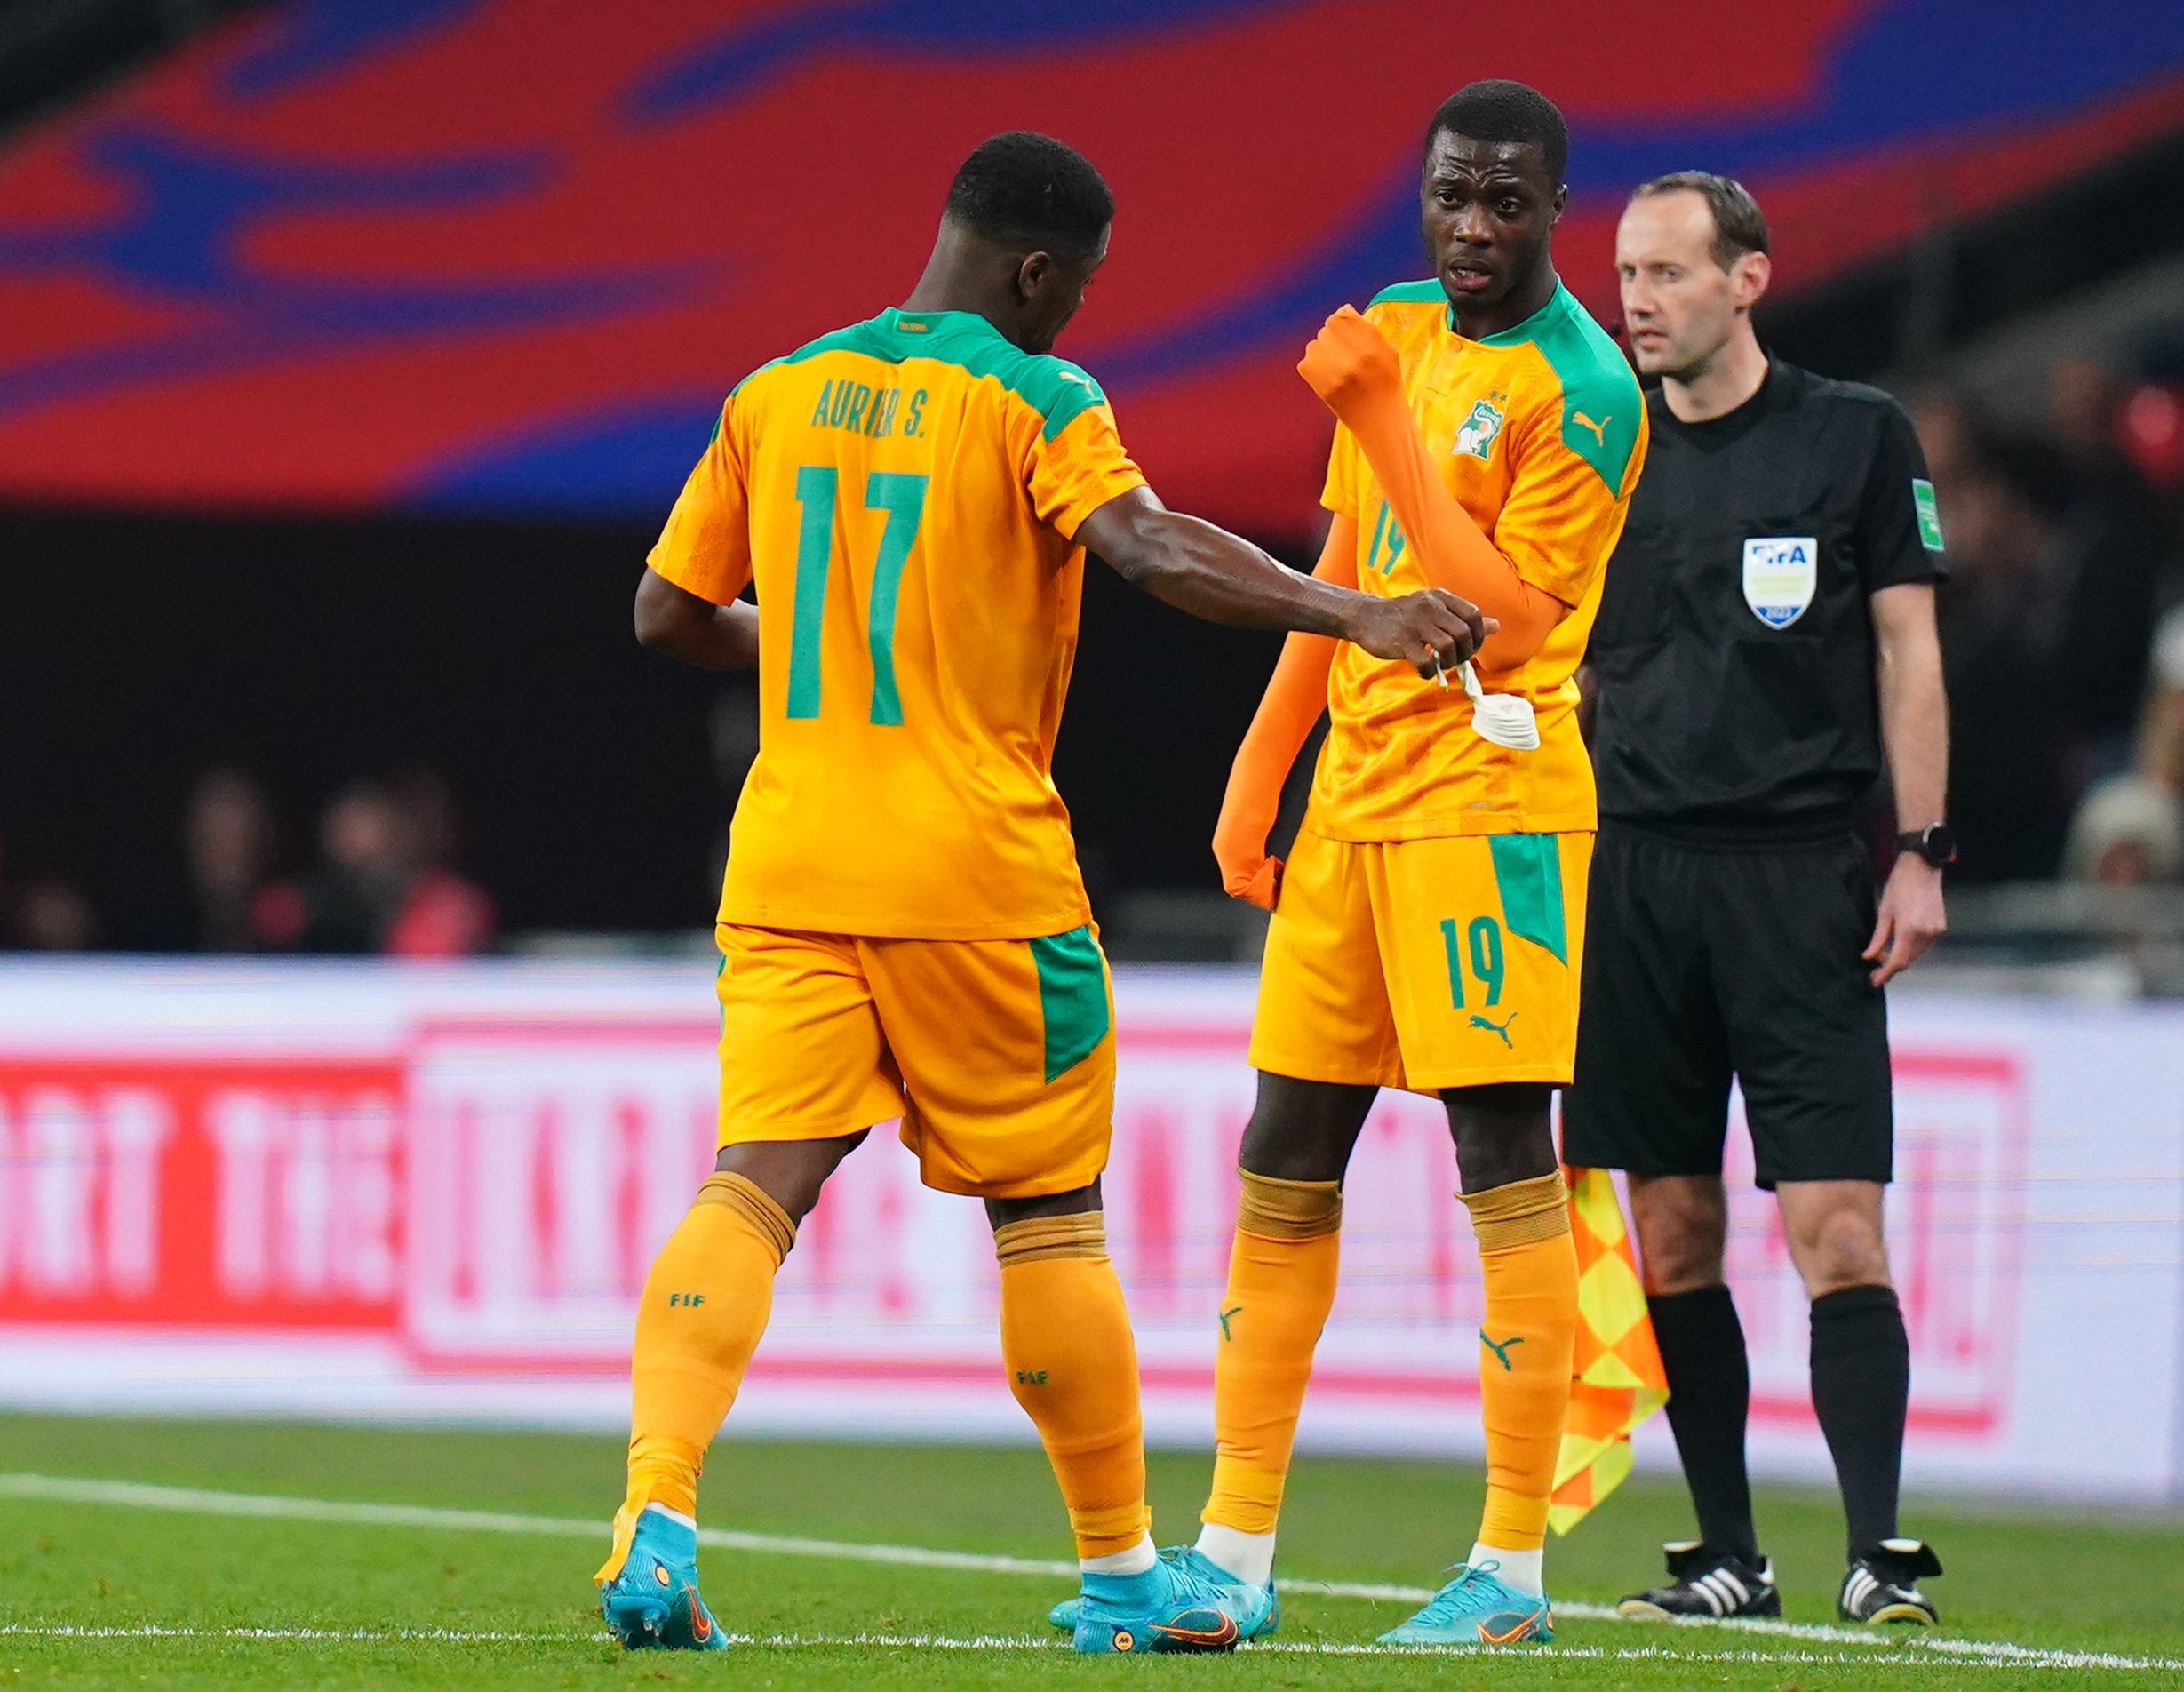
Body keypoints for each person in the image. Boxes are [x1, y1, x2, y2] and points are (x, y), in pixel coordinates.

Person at [596, 131, 1487, 1656]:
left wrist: (819, 647)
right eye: (1076, 289)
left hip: (793, 856)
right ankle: (1128, 1575)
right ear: (1033, 270)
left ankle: (653, 1516)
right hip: (977, 876)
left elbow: (664, 610)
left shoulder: (778, 389)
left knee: (754, 1183)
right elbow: (1146, 547)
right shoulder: (1034, 394)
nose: (1076, 317)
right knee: (1048, 1218)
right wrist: (1357, 610)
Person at [1184, 80, 1646, 1647]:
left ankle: (1509, 1571)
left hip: (1491, 808)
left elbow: (1503, 621)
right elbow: (1346, 571)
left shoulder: (1586, 391)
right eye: (1451, 193)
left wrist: (1382, 416)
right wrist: (1262, 769)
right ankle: (1232, 1555)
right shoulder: (1399, 317)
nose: (1469, 227)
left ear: (1553, 214)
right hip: (1355, 806)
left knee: (1502, 1160)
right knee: (1282, 1149)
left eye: (1504, 202)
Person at [1563, 172, 1950, 1625]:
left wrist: (1922, 849)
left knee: (1835, 1226)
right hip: (1636, 876)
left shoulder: (1852, 436)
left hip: (1805, 876)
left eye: (1665, 274)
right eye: (1623, 276)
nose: (1636, 302)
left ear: (1748, 279)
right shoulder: (1594, 459)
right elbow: (1573, 670)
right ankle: (1726, 1553)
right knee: (1668, 1230)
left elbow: (1909, 654)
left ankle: (1876, 1552)